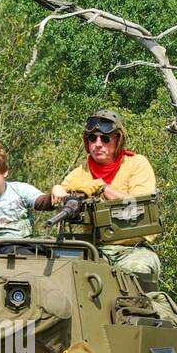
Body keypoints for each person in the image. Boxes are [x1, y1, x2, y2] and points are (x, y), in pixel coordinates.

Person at [41, 109, 161, 289]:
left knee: (136, 272)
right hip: (92, 249)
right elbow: (61, 193)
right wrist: (57, 189)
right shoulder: (81, 171)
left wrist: (102, 187)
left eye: (105, 139)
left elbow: (139, 206)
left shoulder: (137, 164)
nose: (97, 144)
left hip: (132, 250)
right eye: (92, 138)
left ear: (118, 140)